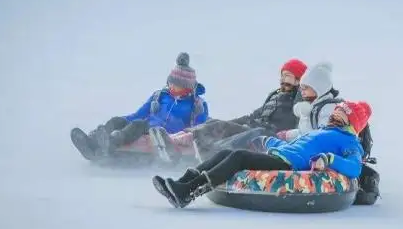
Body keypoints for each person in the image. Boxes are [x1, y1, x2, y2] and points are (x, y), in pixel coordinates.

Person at [152, 100, 372, 208]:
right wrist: (268, 141)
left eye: (341, 114)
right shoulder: (321, 132)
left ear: (351, 121)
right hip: (281, 155)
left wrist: (329, 159)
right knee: (229, 152)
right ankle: (183, 182)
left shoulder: (349, 141)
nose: (335, 116)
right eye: (336, 112)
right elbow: (295, 145)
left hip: (290, 166)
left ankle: (189, 192)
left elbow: (355, 166)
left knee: (239, 158)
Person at [70, 52, 209, 160]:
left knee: (138, 124)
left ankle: (111, 144)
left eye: (177, 86)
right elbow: (138, 114)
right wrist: (120, 121)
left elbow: (199, 129)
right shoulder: (160, 96)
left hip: (164, 134)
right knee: (119, 120)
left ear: (187, 88)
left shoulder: (197, 105)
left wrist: (183, 136)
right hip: (146, 126)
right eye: (171, 83)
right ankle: (92, 142)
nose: (172, 88)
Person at [167, 58, 308, 158]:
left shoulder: (299, 99)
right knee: (216, 123)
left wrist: (303, 85)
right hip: (256, 127)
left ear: (299, 80)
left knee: (252, 132)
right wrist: (232, 122)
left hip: (272, 136)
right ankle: (179, 139)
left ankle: (212, 152)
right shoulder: (275, 96)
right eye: (282, 76)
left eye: (288, 76)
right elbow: (253, 116)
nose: (283, 80)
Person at [275, 61, 340, 142]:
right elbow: (304, 132)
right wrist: (288, 135)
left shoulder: (328, 108)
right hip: (306, 145)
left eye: (305, 88)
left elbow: (323, 135)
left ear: (319, 88)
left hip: (318, 149)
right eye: (301, 88)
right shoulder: (312, 106)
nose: (302, 91)